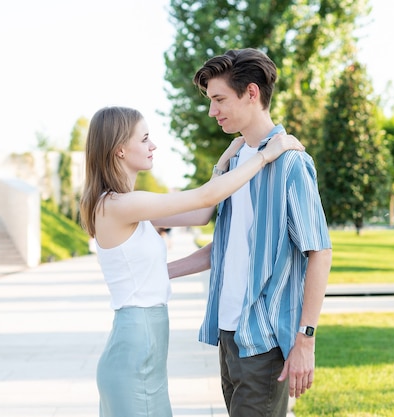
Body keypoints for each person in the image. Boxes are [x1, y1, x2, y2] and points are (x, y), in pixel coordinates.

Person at [79, 105, 304, 417]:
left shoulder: (127, 205)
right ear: (119, 150)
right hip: (135, 347)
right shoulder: (118, 205)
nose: (153, 145)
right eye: (144, 139)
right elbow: (204, 198)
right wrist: (264, 156)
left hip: (143, 347)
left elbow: (200, 214)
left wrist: (221, 167)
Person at [167, 48, 333, 417]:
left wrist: (305, 338)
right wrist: (162, 271)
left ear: (252, 93)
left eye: (219, 99)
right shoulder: (235, 162)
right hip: (229, 335)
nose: (212, 111)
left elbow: (319, 251)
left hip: (265, 339)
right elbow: (227, 248)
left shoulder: (291, 163)